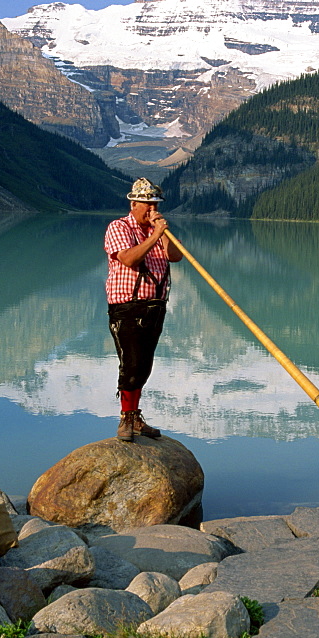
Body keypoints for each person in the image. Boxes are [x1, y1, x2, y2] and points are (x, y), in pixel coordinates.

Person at [104, 177, 182, 441]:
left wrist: (163, 234)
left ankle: (135, 416)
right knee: (131, 362)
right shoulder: (119, 227)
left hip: (155, 306)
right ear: (134, 204)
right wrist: (155, 236)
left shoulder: (157, 231)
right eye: (147, 205)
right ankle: (126, 417)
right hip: (126, 305)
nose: (152, 210)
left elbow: (175, 256)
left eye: (155, 205)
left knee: (144, 364)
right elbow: (129, 258)